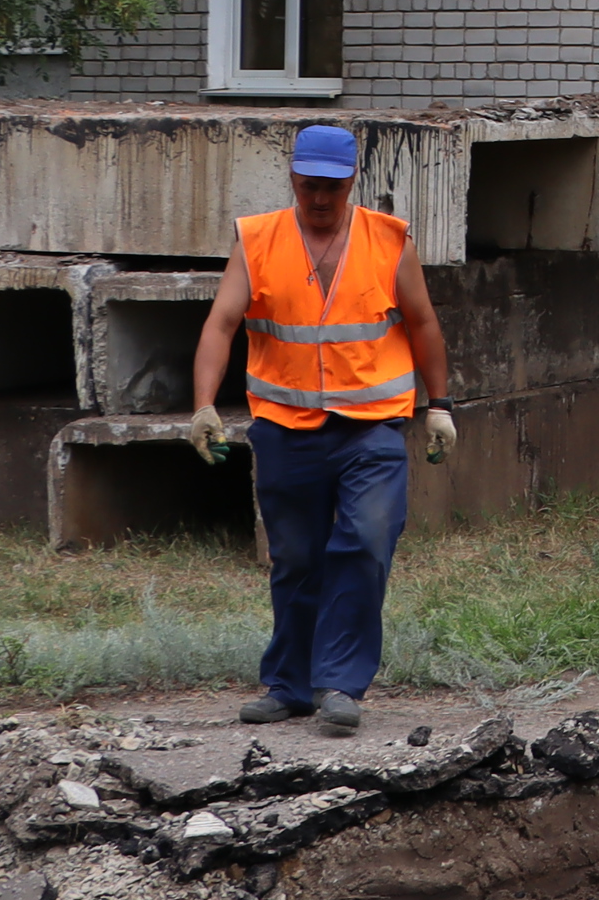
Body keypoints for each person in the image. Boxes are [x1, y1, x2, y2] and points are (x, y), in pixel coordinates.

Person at [186, 124, 452, 737]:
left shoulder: (389, 241)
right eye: (308, 187)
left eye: (331, 187)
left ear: (352, 180)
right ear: (293, 180)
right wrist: (204, 405)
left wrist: (440, 404)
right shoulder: (258, 240)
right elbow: (222, 324)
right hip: (287, 429)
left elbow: (423, 323)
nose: (319, 199)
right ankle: (291, 685)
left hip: (372, 429)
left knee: (365, 540)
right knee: (297, 558)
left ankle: (341, 685)